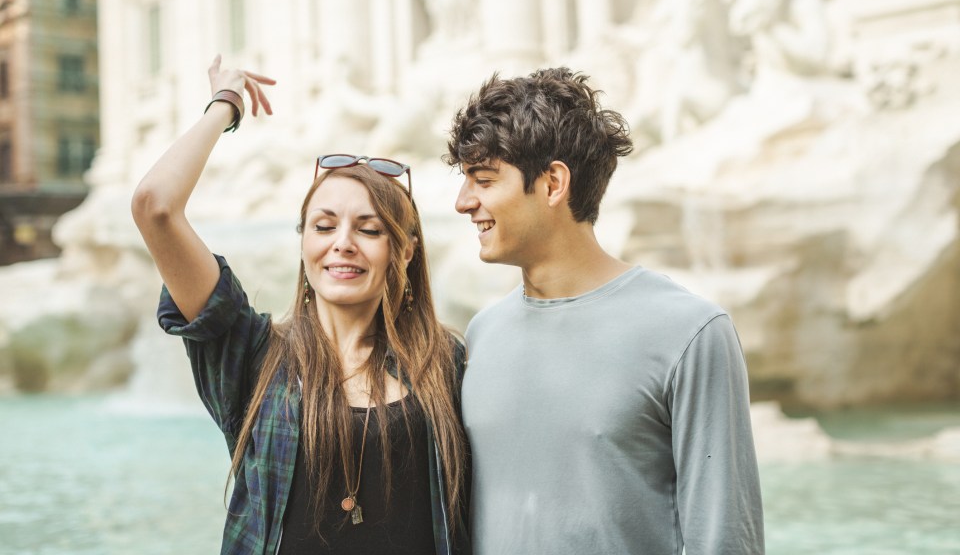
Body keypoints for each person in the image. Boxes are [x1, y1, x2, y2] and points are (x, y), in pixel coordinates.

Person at [131, 56, 470, 555]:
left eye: (370, 229)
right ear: (304, 244)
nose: (343, 243)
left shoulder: (446, 362)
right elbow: (154, 206)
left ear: (405, 251)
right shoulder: (251, 353)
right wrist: (226, 104)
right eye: (324, 225)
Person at [444, 67, 764, 554]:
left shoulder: (691, 332)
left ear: (553, 183)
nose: (463, 202)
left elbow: (723, 540)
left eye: (483, 180)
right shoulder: (483, 333)